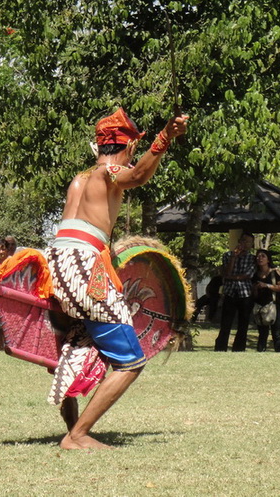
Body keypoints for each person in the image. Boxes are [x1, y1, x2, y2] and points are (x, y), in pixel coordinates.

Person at [46, 107, 188, 450]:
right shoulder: (110, 173)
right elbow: (137, 176)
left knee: (77, 341)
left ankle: (74, 430)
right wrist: (165, 137)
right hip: (84, 265)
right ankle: (76, 436)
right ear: (129, 147)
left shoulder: (80, 178)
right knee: (130, 361)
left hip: (57, 263)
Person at [215, 232, 257, 352]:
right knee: (225, 324)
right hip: (230, 292)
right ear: (239, 241)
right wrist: (234, 257)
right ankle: (220, 348)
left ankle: (239, 349)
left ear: (251, 245)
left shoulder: (252, 258)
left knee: (243, 325)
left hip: (245, 294)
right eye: (243, 241)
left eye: (248, 242)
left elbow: (248, 275)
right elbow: (226, 272)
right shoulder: (227, 255)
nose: (245, 244)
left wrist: (231, 277)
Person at [251, 249, 280, 352]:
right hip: (260, 306)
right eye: (258, 256)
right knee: (262, 333)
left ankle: (278, 353)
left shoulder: (275, 272)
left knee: (276, 333)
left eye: (263, 256)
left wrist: (267, 285)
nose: (260, 258)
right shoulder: (254, 274)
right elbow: (253, 293)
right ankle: (261, 352)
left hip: (275, 306)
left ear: (268, 260)